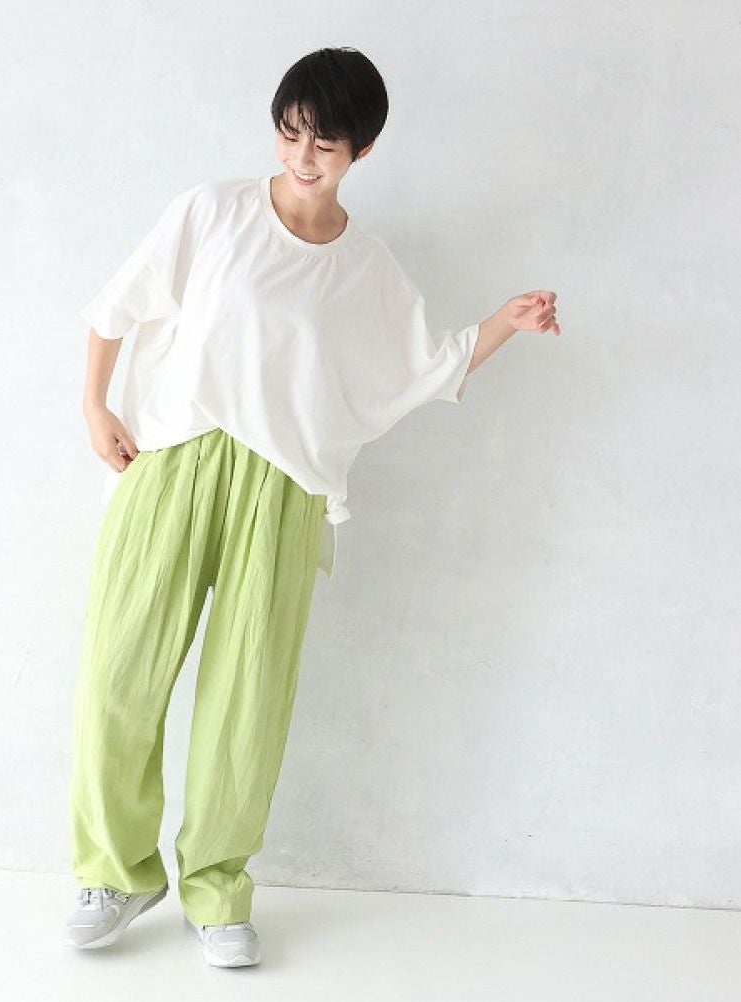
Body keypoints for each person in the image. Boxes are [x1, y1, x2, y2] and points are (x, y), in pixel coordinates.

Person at [65, 46, 561, 969]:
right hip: (172, 460)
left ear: (360, 152)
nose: (303, 157)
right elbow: (113, 309)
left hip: (283, 487)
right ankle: (115, 872)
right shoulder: (212, 212)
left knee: (246, 698)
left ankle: (216, 887)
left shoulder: (367, 268)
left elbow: (423, 366)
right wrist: (95, 407)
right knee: (119, 672)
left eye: (325, 145)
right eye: (291, 134)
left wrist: (504, 322)